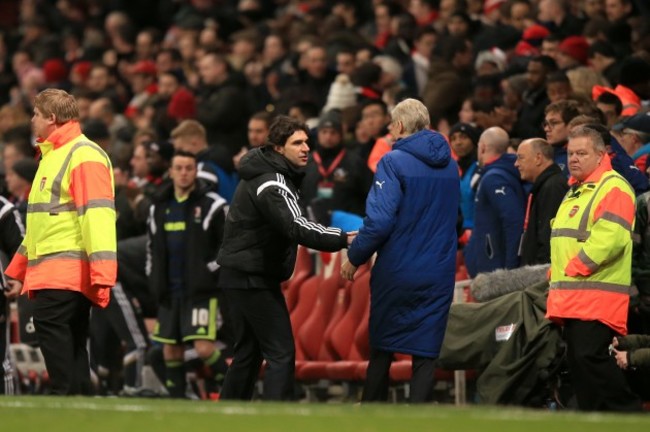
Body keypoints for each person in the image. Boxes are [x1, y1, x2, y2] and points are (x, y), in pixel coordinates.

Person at [217, 116, 351, 401]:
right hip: (252, 277)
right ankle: (277, 418)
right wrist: (343, 238)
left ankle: (224, 418)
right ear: (278, 149)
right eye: (297, 143)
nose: (306, 148)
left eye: (306, 142)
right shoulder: (273, 183)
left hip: (239, 274)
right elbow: (297, 226)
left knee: (247, 354)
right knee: (280, 352)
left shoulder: (265, 174)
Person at [340, 98, 459, 403]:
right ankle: (417, 415)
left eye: (392, 124)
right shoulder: (451, 166)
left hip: (398, 268)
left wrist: (354, 258)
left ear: (401, 126)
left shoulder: (392, 162)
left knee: (382, 344)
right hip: (439, 270)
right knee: (426, 350)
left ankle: (372, 411)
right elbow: (456, 219)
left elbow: (379, 221)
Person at [4, 88, 117, 395]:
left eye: (36, 114)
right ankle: (78, 402)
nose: (32, 120)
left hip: (66, 272)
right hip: (57, 271)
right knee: (72, 340)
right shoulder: (54, 157)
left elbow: (97, 215)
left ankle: (65, 396)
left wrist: (103, 272)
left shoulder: (82, 154)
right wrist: (17, 271)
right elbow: (40, 226)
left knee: (53, 330)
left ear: (51, 118)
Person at [546, 125, 641, 411]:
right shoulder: (577, 190)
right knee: (579, 362)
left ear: (601, 155)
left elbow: (610, 238)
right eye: (570, 153)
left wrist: (576, 266)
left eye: (581, 153)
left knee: (590, 358)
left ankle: (628, 414)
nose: (573, 159)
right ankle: (595, 420)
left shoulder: (613, 187)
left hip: (596, 293)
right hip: (573, 295)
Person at [148, 150, 228, 398]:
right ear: (170, 172)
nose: (184, 173)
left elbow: (228, 247)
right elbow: (152, 249)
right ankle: (178, 403)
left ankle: (234, 390)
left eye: (189, 168)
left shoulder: (213, 205)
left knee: (204, 348)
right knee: (170, 351)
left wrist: (208, 272)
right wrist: (154, 281)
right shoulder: (158, 207)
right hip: (170, 292)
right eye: (179, 168)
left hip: (201, 292)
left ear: (196, 171)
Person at [464, 127, 526, 277]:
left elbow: (513, 221)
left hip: (495, 273)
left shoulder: (494, 178)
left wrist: (510, 271)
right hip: (493, 270)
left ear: (483, 147)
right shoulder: (497, 174)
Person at [514, 138, 568, 265]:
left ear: (538, 158)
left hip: (543, 275)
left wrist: (539, 277)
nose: (516, 164)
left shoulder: (553, 187)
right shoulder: (543, 186)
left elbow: (549, 238)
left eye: (520, 158)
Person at [0, 197, 25, 395]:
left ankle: (7, 412)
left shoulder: (3, 208)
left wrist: (19, 277)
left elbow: (20, 246)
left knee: (1, 362)